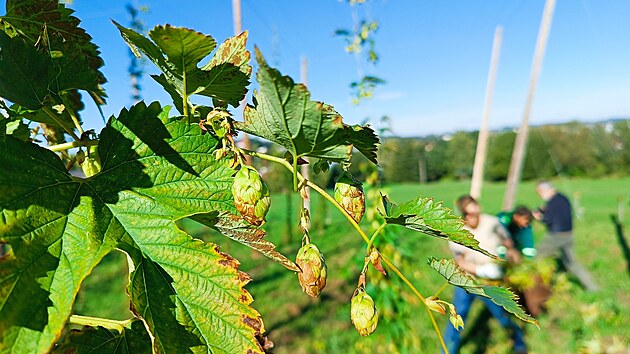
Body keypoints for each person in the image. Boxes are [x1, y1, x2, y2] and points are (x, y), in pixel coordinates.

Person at [443, 195, 527, 354]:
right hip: (466, 281)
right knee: (456, 319)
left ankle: (519, 343)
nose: (472, 218)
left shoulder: (492, 223)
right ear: (462, 215)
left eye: (475, 213)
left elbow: (506, 241)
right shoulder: (456, 232)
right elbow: (459, 261)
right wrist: (480, 270)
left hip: (490, 282)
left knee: (503, 314)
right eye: (467, 214)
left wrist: (512, 253)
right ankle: (447, 351)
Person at [533, 181, 598, 291]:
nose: (540, 196)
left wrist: (539, 217)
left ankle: (535, 285)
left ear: (543, 191)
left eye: (539, 193)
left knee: (536, 258)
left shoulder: (552, 202)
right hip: (569, 235)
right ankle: (593, 287)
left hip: (555, 236)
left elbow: (549, 220)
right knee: (572, 263)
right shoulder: (563, 198)